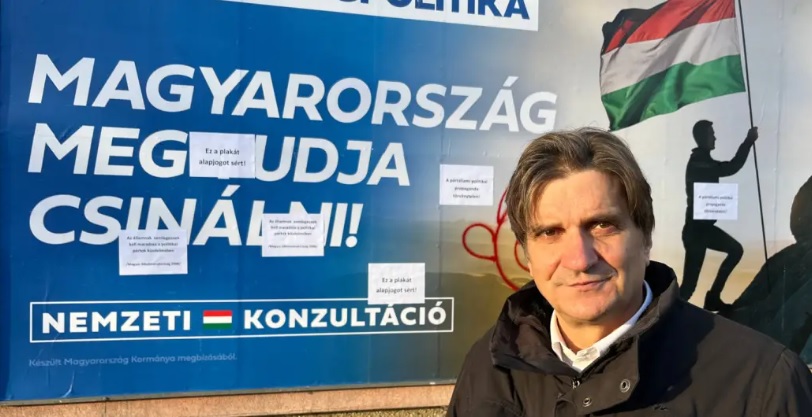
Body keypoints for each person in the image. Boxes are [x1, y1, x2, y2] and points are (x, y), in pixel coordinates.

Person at [446, 127, 812, 416]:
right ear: (528, 255)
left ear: (646, 236)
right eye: (550, 232)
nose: (579, 259)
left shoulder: (763, 382)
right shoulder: (489, 368)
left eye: (601, 225)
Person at [680, 120, 758, 311]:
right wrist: (748, 142)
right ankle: (664, 318)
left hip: (702, 230)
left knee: (735, 250)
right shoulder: (699, 162)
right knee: (688, 287)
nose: (715, 137)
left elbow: (728, 168)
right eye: (711, 134)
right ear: (703, 138)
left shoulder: (703, 161)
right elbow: (731, 167)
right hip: (697, 232)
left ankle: (713, 297)